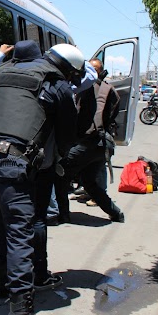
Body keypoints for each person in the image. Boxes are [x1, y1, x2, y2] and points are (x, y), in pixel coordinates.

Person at [0, 44, 86, 315]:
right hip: (12, 161)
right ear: (68, 69)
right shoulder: (57, 84)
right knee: (19, 233)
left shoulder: (5, 71)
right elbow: (67, 133)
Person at [54, 59, 125, 225]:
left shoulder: (85, 88)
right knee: (89, 181)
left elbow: (80, 118)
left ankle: (62, 215)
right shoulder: (110, 89)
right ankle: (116, 213)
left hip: (88, 142)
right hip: (103, 144)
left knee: (61, 176)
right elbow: (111, 116)